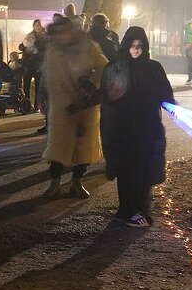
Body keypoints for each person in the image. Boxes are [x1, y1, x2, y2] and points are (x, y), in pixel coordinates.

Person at [100, 27, 174, 227]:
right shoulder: (115, 68)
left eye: (140, 46)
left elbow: (165, 92)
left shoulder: (153, 67)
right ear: (126, 46)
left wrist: (172, 106)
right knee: (127, 169)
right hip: (123, 128)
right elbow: (106, 95)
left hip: (147, 127)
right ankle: (127, 211)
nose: (136, 50)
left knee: (145, 168)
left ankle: (140, 208)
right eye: (132, 45)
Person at [41, 15, 108, 199]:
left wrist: (91, 84)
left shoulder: (89, 47)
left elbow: (104, 67)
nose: (60, 37)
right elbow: (46, 75)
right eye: (57, 34)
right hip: (60, 107)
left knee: (83, 148)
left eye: (63, 32)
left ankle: (76, 182)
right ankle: (54, 183)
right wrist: (43, 96)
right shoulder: (52, 50)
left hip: (83, 106)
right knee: (57, 148)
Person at [19, 19, 46, 111]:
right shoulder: (29, 36)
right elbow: (21, 46)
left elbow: (45, 50)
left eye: (39, 25)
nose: (38, 27)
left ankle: (36, 105)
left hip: (39, 65)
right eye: (36, 25)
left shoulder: (45, 37)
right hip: (28, 65)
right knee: (26, 86)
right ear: (33, 26)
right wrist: (24, 47)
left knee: (38, 87)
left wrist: (36, 49)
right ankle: (26, 105)